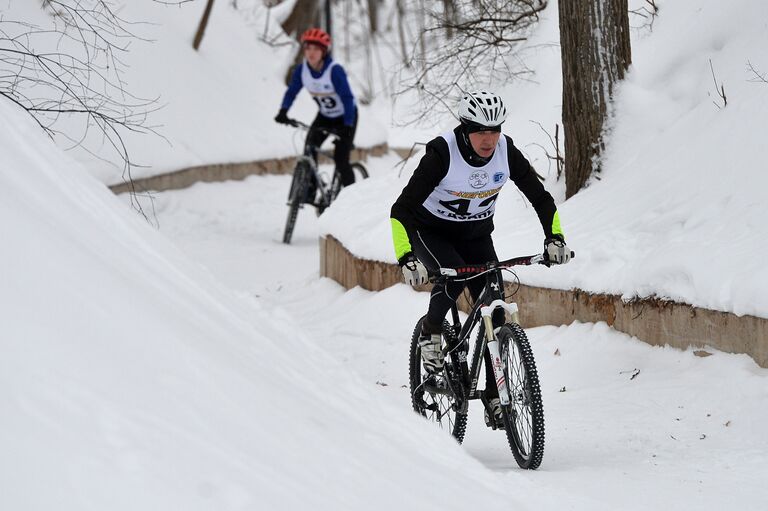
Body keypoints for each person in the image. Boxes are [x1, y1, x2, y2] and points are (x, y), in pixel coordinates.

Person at [390, 90, 571, 427]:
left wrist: (555, 237)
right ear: (465, 129)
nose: (488, 140)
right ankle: (431, 333)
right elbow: (400, 211)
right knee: (453, 277)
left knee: (496, 305)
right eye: (480, 132)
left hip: (475, 236)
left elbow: (541, 199)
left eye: (495, 130)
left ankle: (493, 394)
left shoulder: (505, 151)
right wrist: (406, 257)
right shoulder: (442, 153)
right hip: (431, 233)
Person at [274, 27, 358, 204]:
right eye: (308, 48)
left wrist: (347, 126)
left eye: (316, 49)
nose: (311, 53)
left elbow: (348, 98)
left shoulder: (334, 71)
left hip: (346, 117)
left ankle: (354, 200)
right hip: (325, 116)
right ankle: (310, 193)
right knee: (309, 148)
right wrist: (283, 111)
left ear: (323, 51)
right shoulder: (302, 71)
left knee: (341, 160)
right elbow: (291, 92)